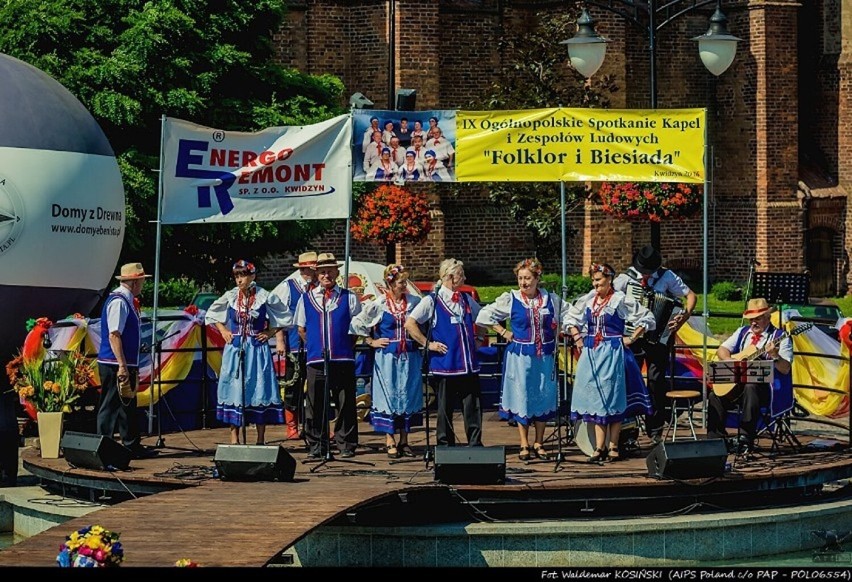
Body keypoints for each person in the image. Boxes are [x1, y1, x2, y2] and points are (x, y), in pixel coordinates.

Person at [563, 262, 655, 463]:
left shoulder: (620, 299)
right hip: (592, 354)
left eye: (599, 280)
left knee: (613, 399)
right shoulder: (589, 299)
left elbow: (646, 317)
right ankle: (599, 447)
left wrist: (631, 338)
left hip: (612, 352)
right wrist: (577, 337)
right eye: (593, 280)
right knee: (596, 400)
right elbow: (570, 318)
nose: (595, 284)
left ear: (609, 279)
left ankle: (613, 446)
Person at [476, 258, 564, 461]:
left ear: (537, 279)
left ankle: (539, 442)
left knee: (542, 394)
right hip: (520, 356)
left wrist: (561, 333)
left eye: (528, 278)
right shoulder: (512, 298)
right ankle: (524, 442)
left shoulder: (551, 299)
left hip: (544, 356)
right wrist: (502, 331)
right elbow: (483, 315)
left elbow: (568, 316)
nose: (524, 283)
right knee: (522, 395)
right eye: (520, 278)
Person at [613, 245, 697, 444]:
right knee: (627, 379)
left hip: (658, 337)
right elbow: (610, 298)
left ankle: (656, 427)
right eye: (644, 271)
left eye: (649, 271)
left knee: (656, 381)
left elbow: (691, 295)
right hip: (631, 335)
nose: (646, 275)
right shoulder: (626, 279)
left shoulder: (666, 276)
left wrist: (684, 316)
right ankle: (627, 429)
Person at [205, 260, 290, 445]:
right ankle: (234, 439)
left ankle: (260, 439)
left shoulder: (264, 296)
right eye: (236, 276)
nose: (239, 280)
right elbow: (211, 314)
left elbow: (284, 316)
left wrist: (269, 332)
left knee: (259, 389)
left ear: (252, 276)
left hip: (257, 349)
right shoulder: (230, 296)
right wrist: (223, 330)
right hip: (235, 349)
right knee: (234, 389)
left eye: (242, 275)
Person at [405, 258, 486, 447]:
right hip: (445, 365)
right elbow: (410, 323)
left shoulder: (466, 299)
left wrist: (479, 339)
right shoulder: (431, 301)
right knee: (444, 408)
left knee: (472, 406)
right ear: (450, 277)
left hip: (467, 364)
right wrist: (428, 344)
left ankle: (475, 443)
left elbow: (483, 317)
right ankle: (444, 444)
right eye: (461, 274)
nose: (464, 277)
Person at [350, 264, 423, 458]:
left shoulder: (415, 302)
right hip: (387, 357)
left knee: (408, 393)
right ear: (390, 283)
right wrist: (371, 341)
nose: (404, 286)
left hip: (410, 356)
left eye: (405, 282)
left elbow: (427, 318)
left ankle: (405, 440)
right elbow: (357, 322)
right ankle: (389, 439)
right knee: (388, 394)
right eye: (401, 282)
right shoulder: (380, 303)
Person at [296, 252, 363, 459]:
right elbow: (301, 328)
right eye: (322, 272)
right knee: (315, 404)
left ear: (336, 272)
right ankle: (318, 445)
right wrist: (317, 345)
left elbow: (357, 326)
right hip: (317, 359)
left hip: (342, 358)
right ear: (317, 274)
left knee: (345, 403)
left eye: (330, 271)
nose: (326, 275)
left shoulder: (348, 297)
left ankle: (346, 444)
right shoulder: (306, 298)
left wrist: (343, 344)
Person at [706, 298, 793, 454]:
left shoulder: (781, 337)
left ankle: (746, 438)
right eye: (751, 319)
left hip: (766, 391)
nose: (753, 323)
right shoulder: (742, 332)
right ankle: (715, 440)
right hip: (737, 388)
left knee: (751, 386)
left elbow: (785, 369)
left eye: (757, 318)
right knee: (714, 396)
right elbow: (722, 350)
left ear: (768, 317)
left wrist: (775, 356)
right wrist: (730, 361)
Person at [96, 262, 158, 459]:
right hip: (115, 364)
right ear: (134, 281)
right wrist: (122, 365)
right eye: (141, 280)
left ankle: (131, 445)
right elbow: (114, 335)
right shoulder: (120, 302)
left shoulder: (126, 300)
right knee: (111, 405)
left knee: (126, 407)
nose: (143, 284)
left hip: (124, 363)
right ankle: (103, 447)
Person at [270, 251, 317, 440]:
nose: (310, 272)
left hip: (314, 344)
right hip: (294, 344)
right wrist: (280, 339)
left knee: (315, 386)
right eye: (307, 269)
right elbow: (276, 314)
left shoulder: (319, 287)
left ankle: (313, 425)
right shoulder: (287, 287)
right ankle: (292, 425)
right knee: (293, 384)